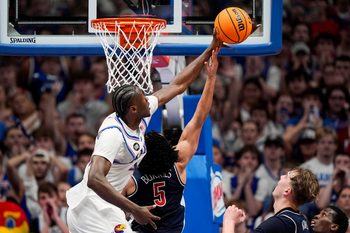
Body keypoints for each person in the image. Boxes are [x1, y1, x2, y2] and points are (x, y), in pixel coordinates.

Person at [66, 37, 221, 233]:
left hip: (108, 209)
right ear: (133, 109)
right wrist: (134, 209)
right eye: (143, 100)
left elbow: (177, 86)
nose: (149, 100)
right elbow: (94, 178)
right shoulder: (113, 134)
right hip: (92, 210)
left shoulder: (140, 118)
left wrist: (209, 50)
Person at [122, 51, 218, 232]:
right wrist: (211, 78)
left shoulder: (130, 181)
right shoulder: (178, 165)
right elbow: (199, 118)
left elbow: (112, 211)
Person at [222, 167, 320, 233]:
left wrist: (229, 221)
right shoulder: (300, 219)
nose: (281, 177)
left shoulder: (281, 222)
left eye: (286, 176)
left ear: (287, 191)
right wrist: (238, 226)